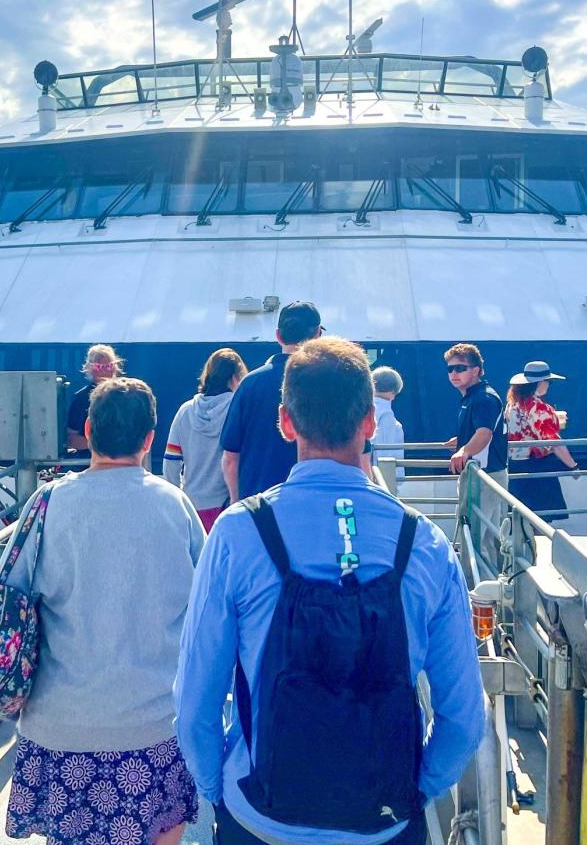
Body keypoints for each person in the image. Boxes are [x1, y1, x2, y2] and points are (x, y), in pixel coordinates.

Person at [177, 337, 485, 845]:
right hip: (385, 822)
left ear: (285, 421)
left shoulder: (238, 533)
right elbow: (464, 717)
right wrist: (415, 793)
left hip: (259, 816)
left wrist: (220, 794)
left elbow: (195, 705)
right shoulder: (424, 543)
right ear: (369, 422)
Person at [1, 377, 205, 845]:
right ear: (150, 438)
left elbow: (9, 596)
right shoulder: (175, 506)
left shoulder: (49, 503)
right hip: (153, 724)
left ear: (88, 430)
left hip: (60, 722)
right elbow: (204, 611)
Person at [220, 301, 322, 502]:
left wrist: (236, 501)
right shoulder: (332, 381)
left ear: (278, 335)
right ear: (318, 333)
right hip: (315, 504)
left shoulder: (250, 384)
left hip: (259, 507)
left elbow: (231, 457)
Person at [164, 348, 248, 532]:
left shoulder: (185, 411)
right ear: (235, 378)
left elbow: (171, 461)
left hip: (191, 505)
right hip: (227, 504)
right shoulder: (237, 408)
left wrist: (177, 498)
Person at [505, 360, 577, 521]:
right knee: (541, 519)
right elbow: (552, 441)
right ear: (540, 383)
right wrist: (573, 466)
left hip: (516, 466)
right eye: (548, 381)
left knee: (520, 518)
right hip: (537, 468)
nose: (549, 385)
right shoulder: (538, 407)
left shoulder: (513, 405)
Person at [442, 343, 508, 480]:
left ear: (475, 371)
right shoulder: (473, 396)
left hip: (487, 476)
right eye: (450, 369)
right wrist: (463, 439)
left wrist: (464, 450)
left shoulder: (484, 398)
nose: (454, 373)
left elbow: (484, 433)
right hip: (476, 473)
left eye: (460, 368)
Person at [65, 344, 122, 455]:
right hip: (89, 462)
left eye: (108, 366)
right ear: (90, 368)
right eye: (99, 366)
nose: (104, 371)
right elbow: (72, 439)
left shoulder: (125, 395)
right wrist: (104, 445)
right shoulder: (81, 398)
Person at [371, 365, 406, 480]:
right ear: (393, 390)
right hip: (384, 477)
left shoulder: (365, 408)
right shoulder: (386, 414)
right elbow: (386, 449)